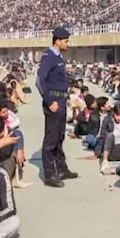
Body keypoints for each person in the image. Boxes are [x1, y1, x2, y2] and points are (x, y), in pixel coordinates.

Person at [37, 27, 77, 188]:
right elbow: (40, 81)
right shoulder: (49, 57)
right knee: (51, 140)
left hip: (61, 100)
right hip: (53, 101)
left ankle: (61, 168)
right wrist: (49, 101)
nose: (68, 43)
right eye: (66, 41)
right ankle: (49, 174)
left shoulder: (58, 56)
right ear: (57, 41)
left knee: (60, 137)